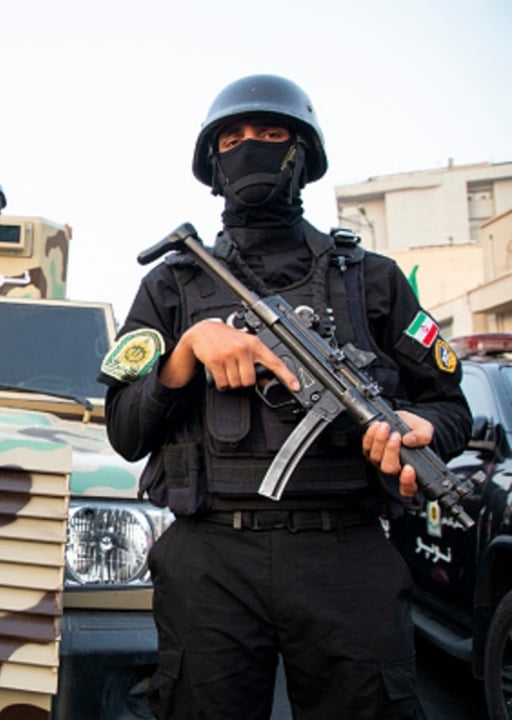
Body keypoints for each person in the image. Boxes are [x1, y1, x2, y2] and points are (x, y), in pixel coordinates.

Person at [99, 74, 471, 719]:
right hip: (211, 557)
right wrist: (186, 353)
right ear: (212, 164)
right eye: (233, 139)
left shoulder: (372, 281)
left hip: (346, 553)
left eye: (272, 134)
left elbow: (451, 407)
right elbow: (125, 432)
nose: (251, 147)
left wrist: (422, 427)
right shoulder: (173, 285)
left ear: (303, 156)